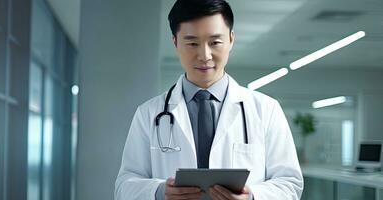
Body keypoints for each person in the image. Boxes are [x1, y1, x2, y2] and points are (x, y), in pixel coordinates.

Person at [115, 0, 303, 199]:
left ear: (231, 39)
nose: (204, 55)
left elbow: (289, 184)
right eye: (192, 43)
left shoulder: (266, 110)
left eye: (215, 42)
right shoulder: (148, 114)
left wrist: (252, 197)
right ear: (175, 42)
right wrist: (159, 192)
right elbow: (124, 186)